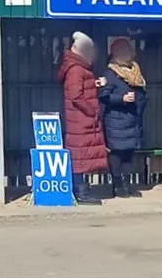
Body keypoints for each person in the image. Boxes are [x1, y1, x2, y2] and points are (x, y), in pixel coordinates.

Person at [56, 31, 109, 205]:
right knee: (79, 156)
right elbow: (75, 96)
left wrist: (94, 84)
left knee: (81, 156)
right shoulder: (76, 70)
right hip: (81, 121)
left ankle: (80, 189)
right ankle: (81, 192)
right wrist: (92, 111)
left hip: (80, 120)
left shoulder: (79, 69)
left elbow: (79, 89)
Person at [98, 38, 148, 198]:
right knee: (117, 154)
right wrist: (122, 99)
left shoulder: (135, 71)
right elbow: (104, 97)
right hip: (116, 121)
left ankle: (127, 184)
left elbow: (141, 92)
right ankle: (118, 186)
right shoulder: (111, 74)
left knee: (129, 154)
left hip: (132, 120)